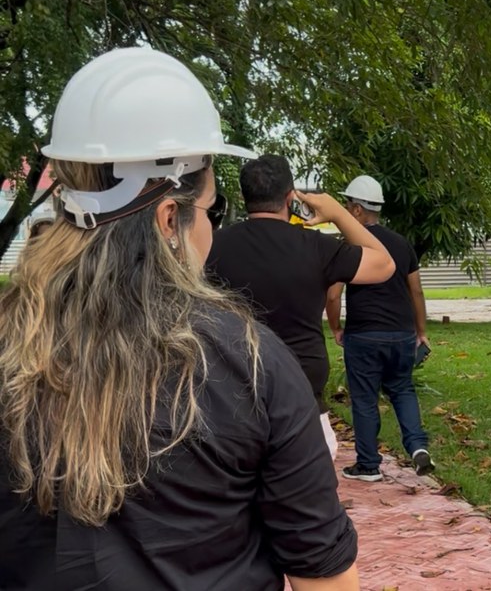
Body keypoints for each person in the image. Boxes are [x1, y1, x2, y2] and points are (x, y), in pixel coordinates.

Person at [0, 48, 359, 590]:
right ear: (171, 217)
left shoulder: (9, 344)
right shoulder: (251, 365)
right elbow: (325, 580)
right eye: (210, 209)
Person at [206, 155, 395, 459]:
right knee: (306, 498)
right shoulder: (316, 247)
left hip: (233, 394)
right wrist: (337, 213)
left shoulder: (212, 246)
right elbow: (384, 264)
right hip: (303, 396)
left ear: (245, 197)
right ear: (290, 196)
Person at [326, 175, 435, 482]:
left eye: (348, 205)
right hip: (401, 335)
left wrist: (335, 328)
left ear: (359, 210)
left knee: (364, 398)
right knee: (402, 390)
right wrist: (421, 332)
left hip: (364, 335)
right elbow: (416, 291)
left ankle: (368, 465)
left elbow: (333, 294)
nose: (346, 211)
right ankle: (417, 448)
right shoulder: (402, 244)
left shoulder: (350, 247)